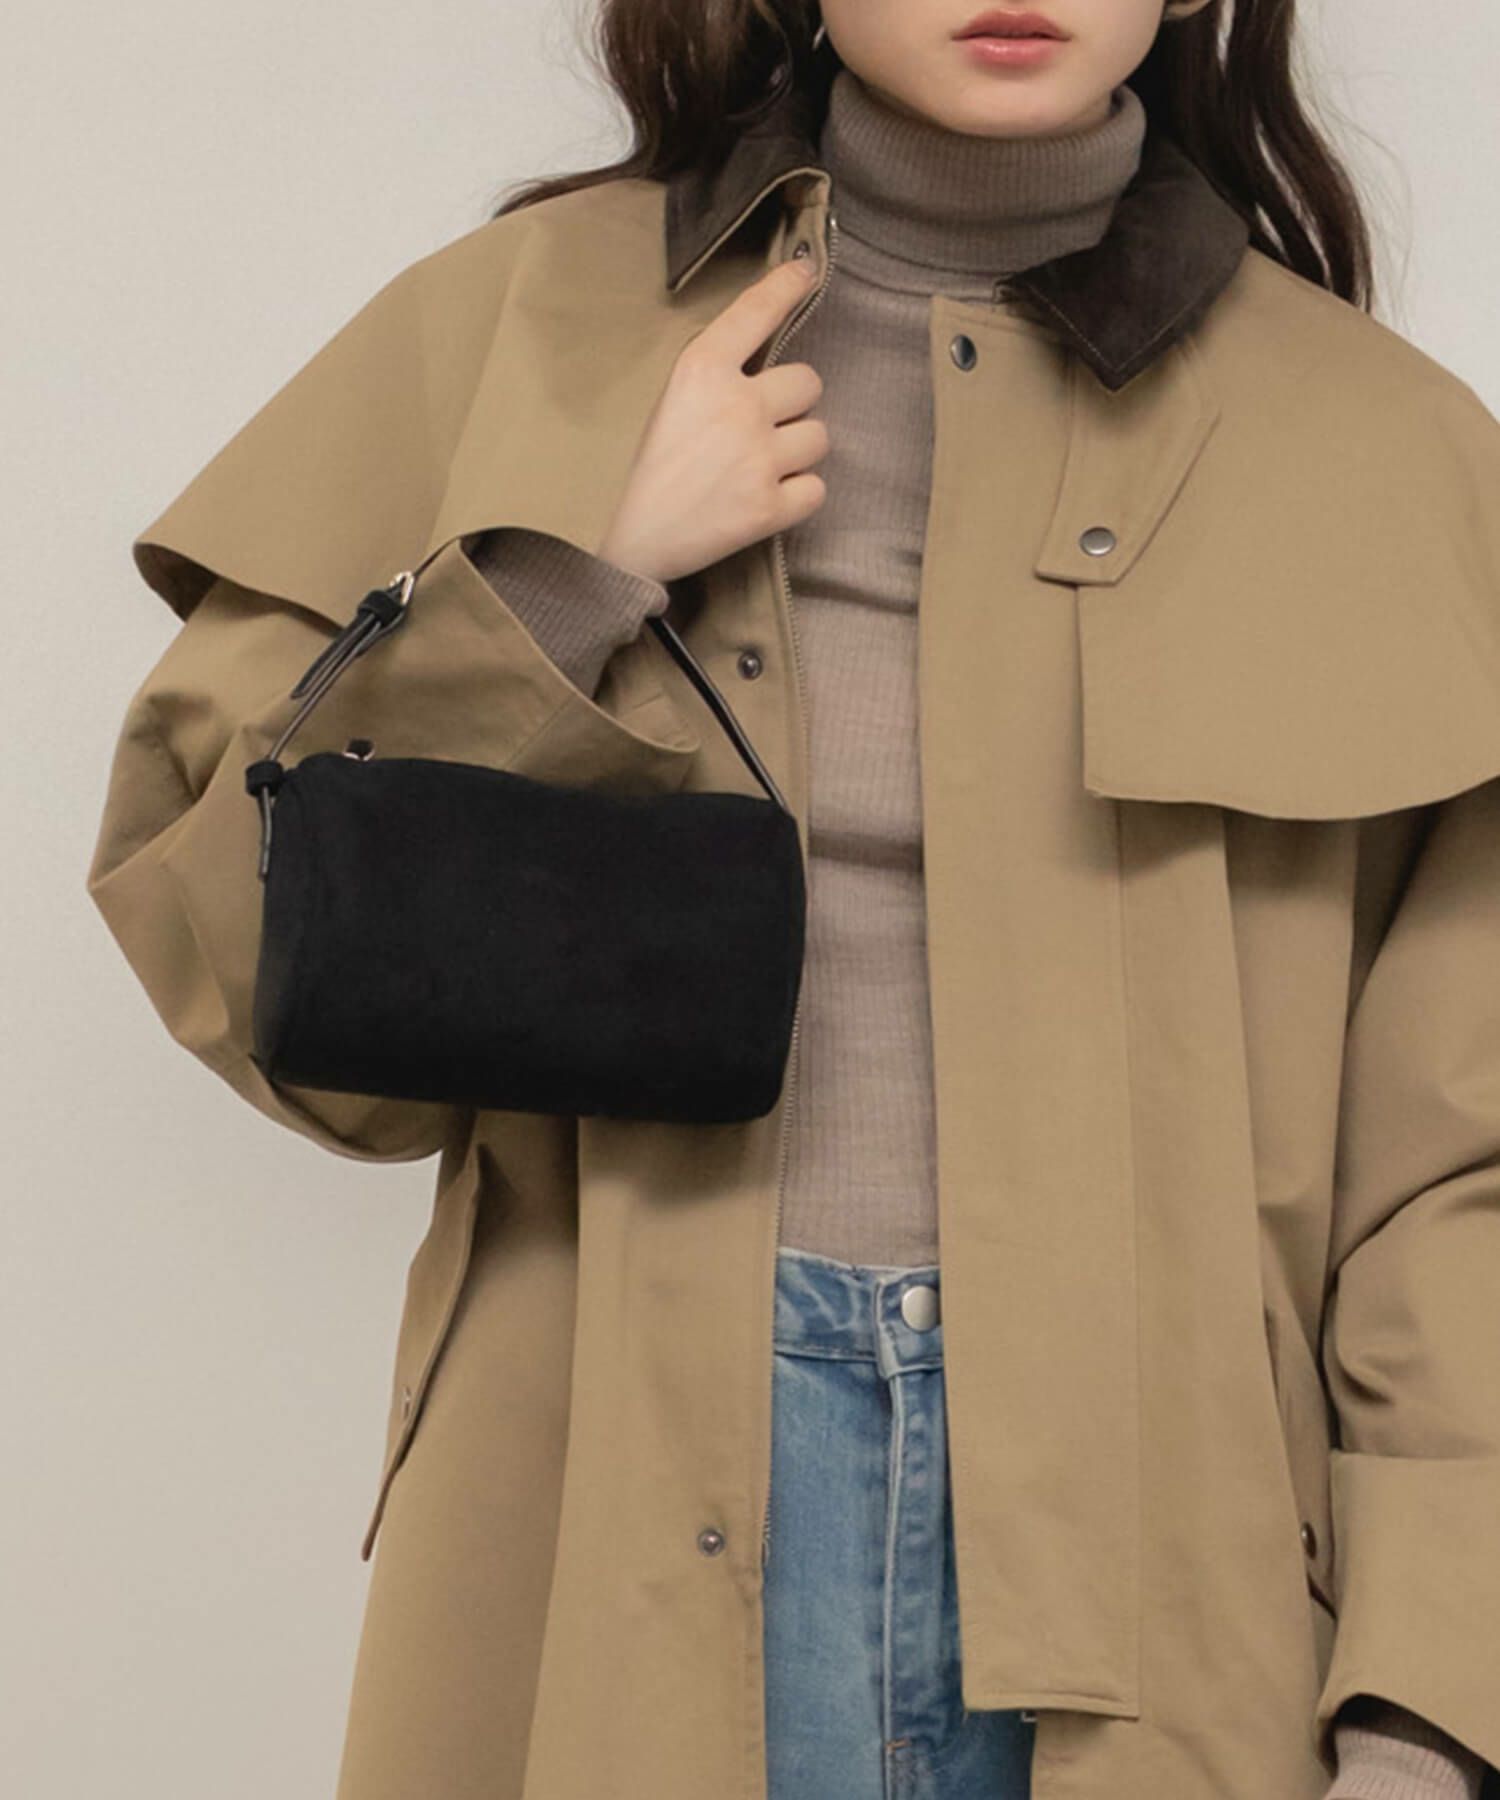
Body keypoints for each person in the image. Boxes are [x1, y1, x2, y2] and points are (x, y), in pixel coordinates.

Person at [85, 3, 1500, 1798]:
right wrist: (566, 581)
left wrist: (1428, 1710)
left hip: (1185, 1581)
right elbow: (223, 936)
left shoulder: (1385, 448)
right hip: (608, 1536)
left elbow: (1461, 1175)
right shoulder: (523, 327)